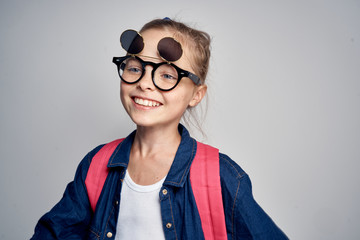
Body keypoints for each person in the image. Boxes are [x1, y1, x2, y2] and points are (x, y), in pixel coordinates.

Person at [31, 18, 288, 239]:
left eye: (167, 74)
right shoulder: (97, 165)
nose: (145, 83)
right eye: (135, 68)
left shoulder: (221, 176)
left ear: (196, 95)